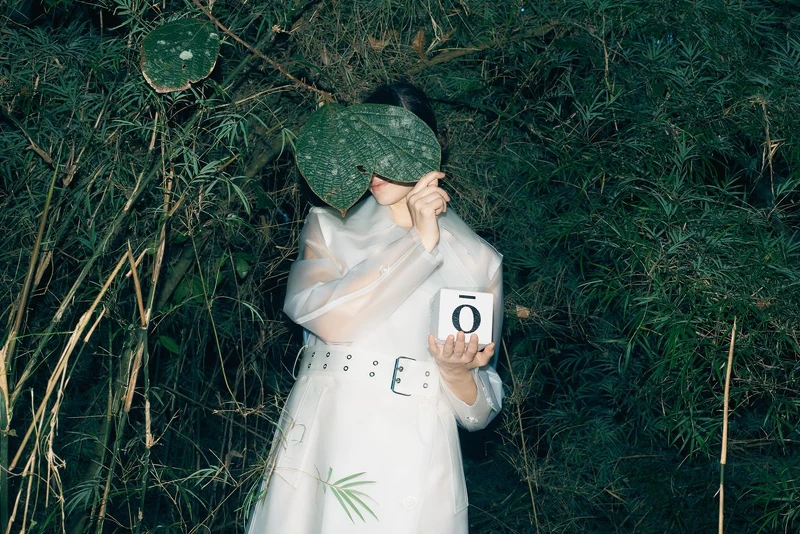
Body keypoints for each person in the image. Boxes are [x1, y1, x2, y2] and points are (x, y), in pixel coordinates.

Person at [246, 82, 504, 534]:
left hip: (420, 456)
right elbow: (325, 317)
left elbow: (479, 412)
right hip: (329, 440)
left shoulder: (479, 259)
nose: (374, 166)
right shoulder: (329, 226)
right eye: (365, 146)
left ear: (427, 148)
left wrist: (457, 373)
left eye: (391, 146)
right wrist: (418, 244)